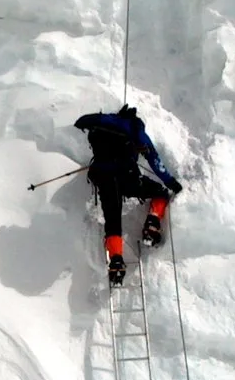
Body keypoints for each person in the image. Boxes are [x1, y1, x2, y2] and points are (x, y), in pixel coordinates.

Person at [74, 104, 182, 286]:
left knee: (112, 219)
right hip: (127, 178)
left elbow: (80, 122)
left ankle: (116, 260)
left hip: (104, 177)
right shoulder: (135, 128)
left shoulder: (106, 121)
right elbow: (154, 160)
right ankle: (152, 224)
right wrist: (171, 183)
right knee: (160, 192)